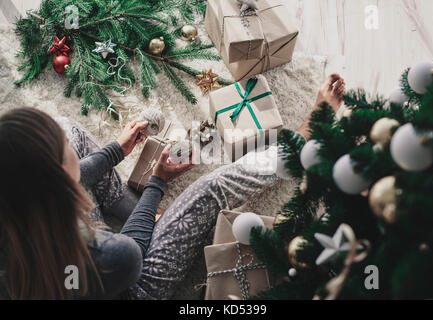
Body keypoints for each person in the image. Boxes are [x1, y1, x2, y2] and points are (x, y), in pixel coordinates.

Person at [0, 74, 345, 300]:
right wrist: (156, 184)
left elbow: (62, 178)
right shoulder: (101, 252)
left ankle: (132, 207)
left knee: (66, 127)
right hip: (130, 283)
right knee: (209, 189)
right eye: (63, 157)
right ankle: (298, 145)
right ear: (62, 176)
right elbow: (130, 250)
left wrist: (116, 151)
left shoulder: (14, 195)